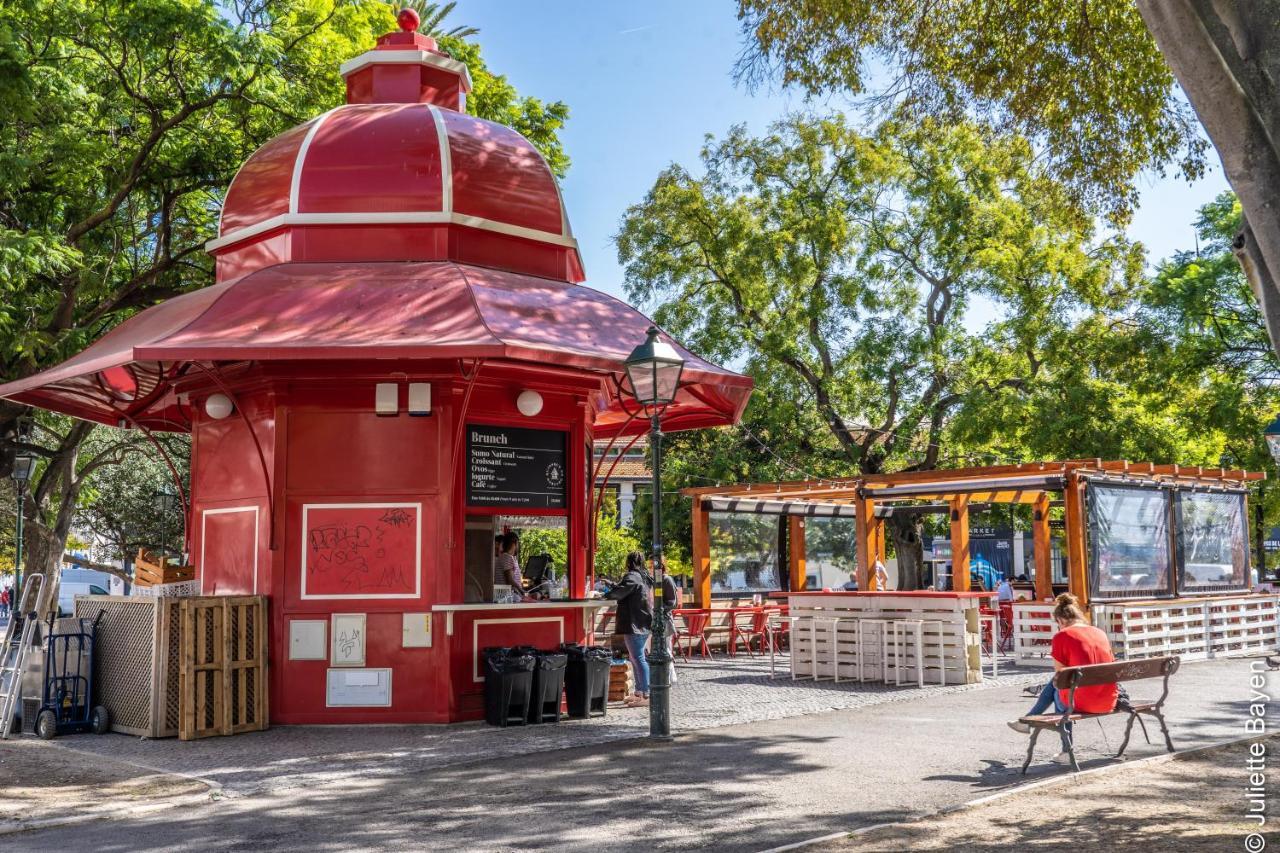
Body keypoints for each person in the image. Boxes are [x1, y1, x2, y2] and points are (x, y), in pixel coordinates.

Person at [1008, 592, 1117, 763]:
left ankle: (1065, 749)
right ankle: (1028, 722)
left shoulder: (1062, 636)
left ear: (1060, 620)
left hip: (1082, 702)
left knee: (1057, 685)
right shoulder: (1099, 633)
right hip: (1107, 699)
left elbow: (1060, 677)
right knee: (1060, 684)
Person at [605, 551, 654, 707]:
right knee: (636, 658)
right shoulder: (643, 576)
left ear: (629, 562)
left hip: (635, 624)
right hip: (642, 622)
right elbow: (626, 589)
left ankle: (646, 694)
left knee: (638, 658)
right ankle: (639, 692)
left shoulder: (632, 576)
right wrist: (612, 586)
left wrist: (607, 594)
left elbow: (621, 592)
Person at [493, 532, 522, 600]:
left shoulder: (506, 557)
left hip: (507, 596)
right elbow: (509, 580)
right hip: (508, 597)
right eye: (518, 543)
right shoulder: (507, 557)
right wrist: (522, 591)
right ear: (514, 543)